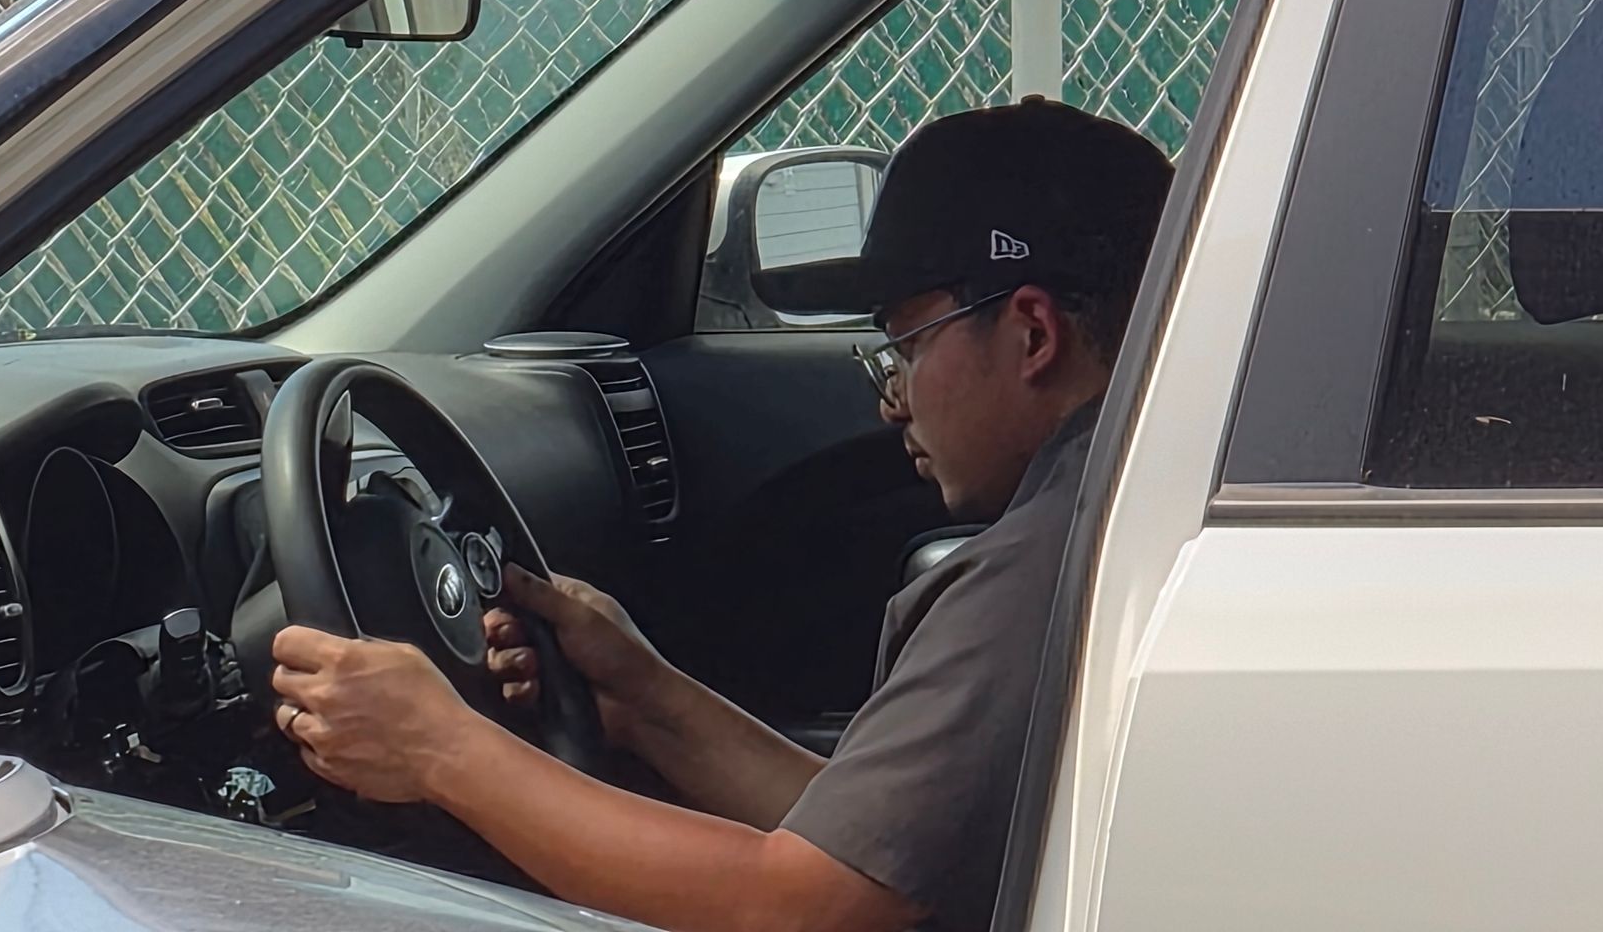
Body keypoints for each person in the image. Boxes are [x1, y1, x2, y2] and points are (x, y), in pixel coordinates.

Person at [270, 98, 1173, 932]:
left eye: (904, 345)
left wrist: (439, 748)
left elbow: (799, 908)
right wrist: (647, 700)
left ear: (1032, 334)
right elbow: (869, 849)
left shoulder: (1043, 567)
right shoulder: (1105, 504)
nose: (892, 399)